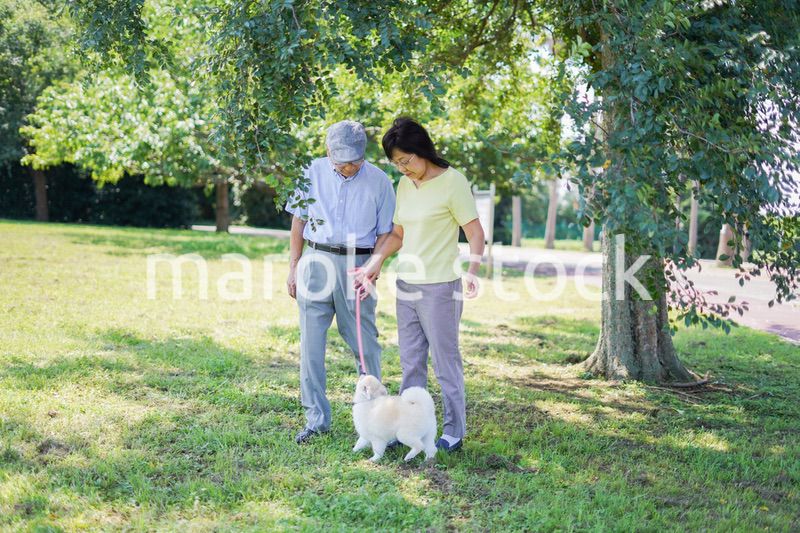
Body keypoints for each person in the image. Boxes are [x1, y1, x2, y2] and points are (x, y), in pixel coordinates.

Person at [354, 117, 485, 453]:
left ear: (421, 150)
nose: (403, 168)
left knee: (445, 363)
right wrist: (374, 263)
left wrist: (472, 270)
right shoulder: (404, 186)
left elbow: (474, 231)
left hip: (441, 287)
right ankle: (408, 428)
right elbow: (398, 235)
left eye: (406, 160)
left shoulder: (453, 182)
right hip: (407, 285)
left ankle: (454, 432)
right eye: (397, 164)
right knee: (411, 363)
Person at [286, 120, 396, 444]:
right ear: (328, 151)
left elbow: (386, 233)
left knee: (366, 346)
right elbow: (299, 220)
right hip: (315, 262)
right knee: (311, 348)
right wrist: (293, 267)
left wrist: (374, 266)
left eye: (355, 160)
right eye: (342, 159)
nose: (349, 166)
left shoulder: (380, 181)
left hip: (358, 265)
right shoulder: (311, 172)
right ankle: (316, 421)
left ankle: (378, 420)